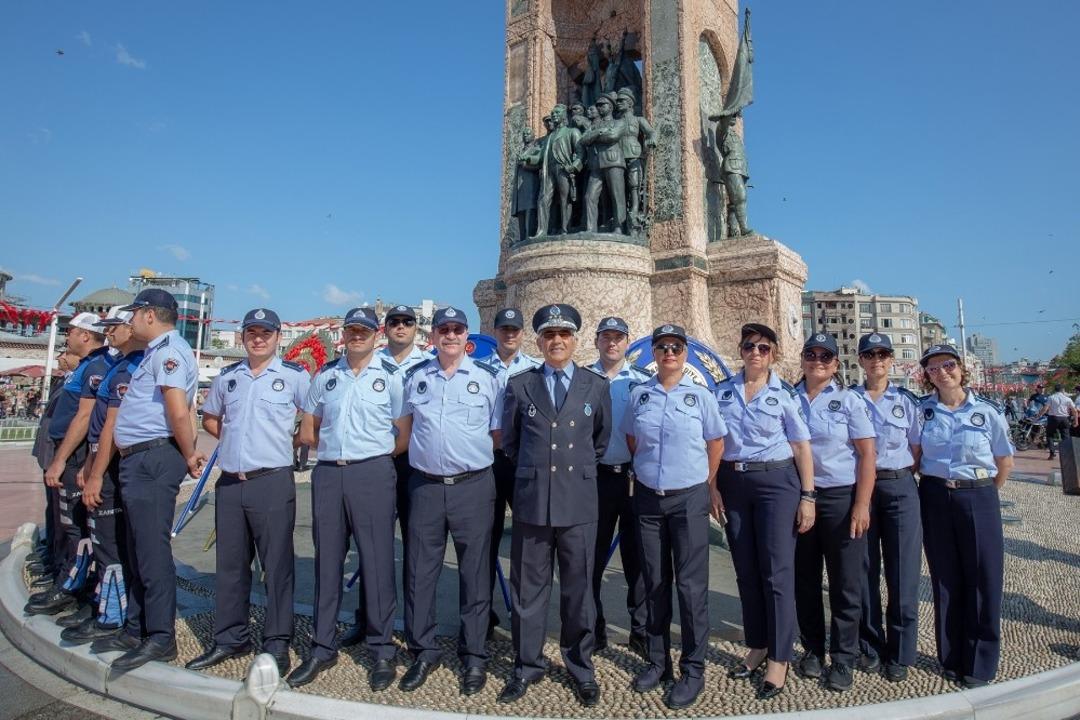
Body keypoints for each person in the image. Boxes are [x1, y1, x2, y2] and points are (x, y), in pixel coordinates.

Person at [496, 303, 612, 707]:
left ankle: (580, 667)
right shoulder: (519, 385)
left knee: (578, 593)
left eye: (563, 335)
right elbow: (509, 441)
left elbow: (599, 441)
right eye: (549, 335)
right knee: (528, 592)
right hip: (533, 503)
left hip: (578, 504)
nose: (556, 341)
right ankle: (526, 665)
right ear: (539, 341)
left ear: (575, 340)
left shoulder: (595, 386)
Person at [187, 309, 310, 677]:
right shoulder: (228, 378)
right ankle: (230, 637)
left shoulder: (293, 377)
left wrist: (295, 440)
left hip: (271, 480)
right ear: (243, 337)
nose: (258, 339)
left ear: (277, 337)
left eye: (265, 333)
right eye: (252, 333)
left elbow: (316, 415)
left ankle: (276, 643)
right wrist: (234, 440)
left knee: (276, 567)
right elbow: (210, 416)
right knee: (229, 566)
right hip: (230, 483)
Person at [290, 306, 407, 690]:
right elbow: (309, 427)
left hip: (372, 473)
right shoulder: (326, 376)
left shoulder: (391, 376)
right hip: (328, 475)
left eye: (365, 330)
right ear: (344, 334)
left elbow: (402, 434)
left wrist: (370, 457)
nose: (358, 335)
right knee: (327, 563)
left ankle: (381, 649)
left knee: (376, 564)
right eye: (352, 330)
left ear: (377, 335)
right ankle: (322, 647)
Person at [396, 306, 501, 695]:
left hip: (473, 487)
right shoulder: (415, 378)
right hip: (424, 487)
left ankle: (474, 655)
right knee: (419, 573)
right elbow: (404, 431)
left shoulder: (489, 380)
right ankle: (423, 650)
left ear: (466, 335)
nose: (451, 335)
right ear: (434, 335)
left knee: (474, 575)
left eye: (457, 329)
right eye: (444, 329)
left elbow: (497, 434)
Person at [623, 324, 726, 709]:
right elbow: (633, 439)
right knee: (654, 583)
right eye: (663, 347)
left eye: (676, 347)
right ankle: (657, 660)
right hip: (649, 499)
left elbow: (716, 442)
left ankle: (694, 668)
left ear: (685, 353)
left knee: (691, 586)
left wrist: (705, 480)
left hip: (688, 499)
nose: (669, 353)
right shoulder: (640, 396)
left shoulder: (701, 397)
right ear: (653, 353)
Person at [715, 323, 814, 701]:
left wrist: (808, 497)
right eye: (749, 347)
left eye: (763, 348)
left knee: (776, 571)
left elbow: (802, 449)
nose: (755, 353)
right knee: (746, 570)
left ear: (773, 354)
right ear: (740, 351)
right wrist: (711, 486)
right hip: (734, 484)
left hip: (776, 484)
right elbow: (715, 442)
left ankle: (780, 657)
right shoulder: (721, 392)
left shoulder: (785, 395)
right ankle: (757, 645)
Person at [107, 288, 202, 671]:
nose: (129, 322)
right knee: (135, 546)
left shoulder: (169, 352)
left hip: (153, 458)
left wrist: (189, 451)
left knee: (150, 549)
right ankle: (136, 626)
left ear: (149, 314)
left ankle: (161, 637)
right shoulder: (157, 352)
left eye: (133, 314)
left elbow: (179, 412)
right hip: (141, 458)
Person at [918, 344, 1014, 687]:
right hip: (934, 494)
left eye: (948, 365)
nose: (942, 372)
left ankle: (979, 662)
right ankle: (951, 655)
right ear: (926, 376)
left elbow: (1004, 461)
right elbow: (915, 455)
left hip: (977, 494)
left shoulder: (986, 412)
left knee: (983, 578)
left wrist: (983, 492)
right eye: (933, 368)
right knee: (945, 579)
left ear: (961, 369)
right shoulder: (923, 411)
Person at [338, 303, 429, 650]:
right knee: (369, 546)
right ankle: (367, 619)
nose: (401, 327)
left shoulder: (429, 362)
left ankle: (411, 623)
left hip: (414, 464)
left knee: (414, 547)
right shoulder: (369, 361)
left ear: (415, 328)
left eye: (407, 322)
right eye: (394, 322)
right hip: (374, 462)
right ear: (384, 328)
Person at [793, 332, 876, 692]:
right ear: (802, 360)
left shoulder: (848, 401)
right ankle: (813, 648)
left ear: (836, 365)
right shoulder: (787, 397)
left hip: (841, 498)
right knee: (805, 579)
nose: (817, 361)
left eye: (825, 356)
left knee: (845, 582)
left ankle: (843, 656)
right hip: (798, 499)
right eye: (811, 354)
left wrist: (861, 504)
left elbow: (867, 455)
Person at [62, 306, 146, 645]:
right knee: (101, 539)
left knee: (111, 542)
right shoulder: (117, 365)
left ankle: (113, 614)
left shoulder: (132, 368)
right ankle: (102, 603)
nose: (108, 332)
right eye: (107, 326)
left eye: (116, 326)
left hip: (114, 465)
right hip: (100, 460)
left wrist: (95, 472)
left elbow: (111, 425)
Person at [29, 312, 115, 616]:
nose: (67, 337)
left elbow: (85, 417)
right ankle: (68, 579)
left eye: (72, 332)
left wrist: (64, 459)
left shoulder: (100, 366)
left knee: (77, 526)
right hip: (75, 452)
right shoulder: (93, 365)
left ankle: (74, 585)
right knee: (69, 523)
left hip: (79, 453)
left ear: (85, 336)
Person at [850, 333, 922, 682]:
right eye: (869, 353)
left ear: (891, 359)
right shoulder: (849, 400)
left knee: (902, 570)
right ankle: (870, 645)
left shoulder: (906, 401)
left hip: (897, 485)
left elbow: (917, 449)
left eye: (883, 353)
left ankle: (902, 650)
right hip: (861, 488)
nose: (876, 359)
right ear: (860, 360)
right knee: (863, 570)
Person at [476, 307, 541, 636]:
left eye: (515, 329)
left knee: (527, 542)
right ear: (496, 332)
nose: (509, 334)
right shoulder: (478, 368)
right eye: (504, 329)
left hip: (521, 462)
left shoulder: (535, 369)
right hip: (488, 461)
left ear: (522, 333)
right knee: (485, 540)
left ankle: (524, 617)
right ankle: (482, 614)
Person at [588, 316, 649, 656]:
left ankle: (639, 629)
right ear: (597, 341)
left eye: (618, 337)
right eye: (606, 337)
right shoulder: (582, 379)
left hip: (633, 477)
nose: (612, 343)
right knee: (590, 557)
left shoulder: (642, 382)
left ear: (628, 342)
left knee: (637, 558)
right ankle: (593, 628)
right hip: (595, 478)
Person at [527, 105, 582, 237]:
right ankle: (542, 231)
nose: (554, 115)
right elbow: (540, 157)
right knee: (543, 199)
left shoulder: (572, 132)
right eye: (553, 113)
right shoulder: (549, 137)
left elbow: (581, 153)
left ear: (564, 115)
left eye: (557, 113)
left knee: (565, 199)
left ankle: (565, 229)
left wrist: (574, 166)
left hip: (563, 169)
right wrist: (529, 158)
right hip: (548, 170)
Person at [578, 93, 627, 234]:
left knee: (617, 196)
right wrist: (599, 132)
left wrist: (595, 136)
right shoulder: (596, 125)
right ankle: (590, 228)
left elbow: (613, 136)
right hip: (596, 165)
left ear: (610, 107)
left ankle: (619, 226)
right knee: (589, 197)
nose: (599, 107)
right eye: (597, 105)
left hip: (613, 162)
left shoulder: (619, 122)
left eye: (602, 104)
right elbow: (584, 140)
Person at [613, 87, 656, 225]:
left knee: (634, 184)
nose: (618, 103)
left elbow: (651, 132)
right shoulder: (614, 121)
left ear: (630, 103)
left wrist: (652, 139)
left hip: (634, 155)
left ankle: (635, 209)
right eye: (617, 101)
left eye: (622, 100)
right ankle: (619, 215)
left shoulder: (638, 120)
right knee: (619, 187)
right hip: (617, 157)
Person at [1037, 384, 1077, 459]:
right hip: (1064, 418)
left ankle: (1052, 453)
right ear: (1062, 390)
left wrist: (1039, 415)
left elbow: (1045, 408)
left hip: (1053, 418)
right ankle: (1067, 453)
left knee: (1050, 435)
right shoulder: (1067, 398)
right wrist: (1076, 420)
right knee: (1065, 436)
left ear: (1055, 390)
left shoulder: (1051, 397)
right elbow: (1074, 411)